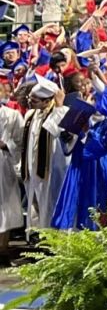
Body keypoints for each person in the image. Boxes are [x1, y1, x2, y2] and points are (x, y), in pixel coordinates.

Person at [51, 71, 107, 230]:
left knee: (97, 204)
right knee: (74, 201)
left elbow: (103, 146)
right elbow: (68, 143)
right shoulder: (82, 117)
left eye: (101, 101)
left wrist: (85, 133)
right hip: (78, 165)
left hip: (100, 168)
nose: (96, 104)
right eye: (94, 100)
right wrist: (69, 135)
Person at [21, 75, 68, 232]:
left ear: (47, 101)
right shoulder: (30, 115)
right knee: (34, 202)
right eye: (30, 98)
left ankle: (52, 241)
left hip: (52, 169)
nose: (30, 102)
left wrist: (60, 107)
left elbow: (57, 131)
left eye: (34, 100)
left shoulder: (62, 113)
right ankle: (38, 237)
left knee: (51, 203)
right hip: (32, 168)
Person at [0, 94, 24, 258]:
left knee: (6, 206)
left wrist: (6, 144)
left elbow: (21, 141)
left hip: (4, 163)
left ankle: (3, 247)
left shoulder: (12, 115)